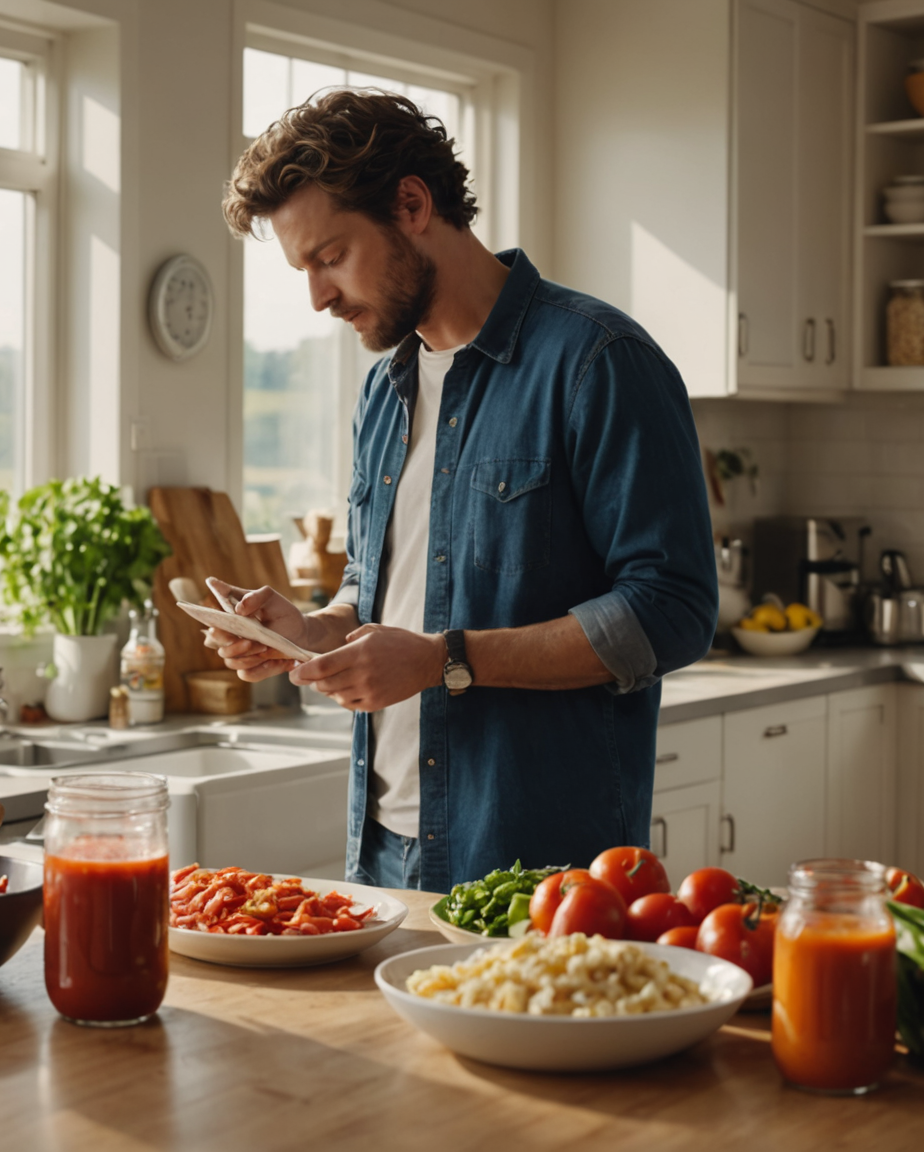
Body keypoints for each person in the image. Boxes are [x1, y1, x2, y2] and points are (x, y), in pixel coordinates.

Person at [211, 89, 717, 893]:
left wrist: (444, 661)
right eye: (302, 269)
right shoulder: (384, 390)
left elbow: (674, 611)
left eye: (330, 256)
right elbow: (385, 589)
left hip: (539, 865)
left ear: (412, 204)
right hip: (381, 848)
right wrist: (316, 630)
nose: (317, 298)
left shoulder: (599, 362)